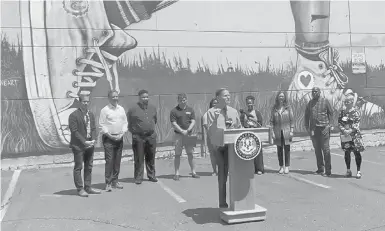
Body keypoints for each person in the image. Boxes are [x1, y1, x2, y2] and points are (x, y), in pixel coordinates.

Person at [206, 88, 242, 208]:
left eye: (229, 95)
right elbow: (210, 132)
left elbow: (239, 128)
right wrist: (217, 122)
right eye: (225, 95)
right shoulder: (211, 113)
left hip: (233, 147)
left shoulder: (233, 111)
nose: (228, 97)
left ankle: (236, 199)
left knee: (236, 173)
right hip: (219, 148)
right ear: (218, 98)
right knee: (222, 174)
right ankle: (222, 201)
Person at [68, 94, 101, 197]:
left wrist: (94, 139)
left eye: (87, 101)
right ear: (79, 102)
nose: (86, 103)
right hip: (79, 146)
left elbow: (93, 128)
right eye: (84, 102)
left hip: (90, 145)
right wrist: (84, 141)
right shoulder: (73, 115)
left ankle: (88, 187)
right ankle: (80, 189)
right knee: (79, 167)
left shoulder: (90, 114)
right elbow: (75, 131)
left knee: (89, 166)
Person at [99, 90, 128, 191]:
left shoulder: (121, 109)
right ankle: (108, 182)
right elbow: (101, 125)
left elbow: (125, 123)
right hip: (109, 139)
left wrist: (122, 133)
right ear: (109, 98)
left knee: (117, 161)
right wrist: (110, 136)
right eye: (113, 97)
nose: (115, 98)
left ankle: (115, 181)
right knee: (110, 161)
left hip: (119, 138)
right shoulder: (105, 110)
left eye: (116, 96)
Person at [127, 90, 158, 184]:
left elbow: (155, 120)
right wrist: (135, 133)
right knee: (139, 158)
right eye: (143, 97)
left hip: (151, 136)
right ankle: (138, 177)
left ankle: (151, 175)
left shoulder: (152, 108)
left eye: (147, 97)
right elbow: (129, 122)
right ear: (139, 98)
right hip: (139, 137)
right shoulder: (133, 109)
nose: (145, 99)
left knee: (151, 157)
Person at [304, 87, 334, 177]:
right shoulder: (310, 103)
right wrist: (307, 127)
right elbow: (306, 115)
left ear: (320, 92)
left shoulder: (325, 101)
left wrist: (329, 125)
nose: (314, 93)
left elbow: (331, 113)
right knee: (317, 150)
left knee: (326, 149)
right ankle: (320, 169)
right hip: (314, 129)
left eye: (316, 91)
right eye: (312, 91)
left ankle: (328, 171)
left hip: (324, 128)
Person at [170, 93, 200, 180]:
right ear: (178, 101)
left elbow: (193, 121)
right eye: (181, 100)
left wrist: (187, 130)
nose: (183, 102)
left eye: (184, 100)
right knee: (177, 154)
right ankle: (176, 173)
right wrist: (182, 131)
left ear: (186, 100)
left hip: (189, 135)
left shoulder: (190, 110)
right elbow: (173, 123)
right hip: (178, 135)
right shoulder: (174, 111)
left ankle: (193, 172)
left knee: (190, 154)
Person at [338, 94, 365, 179]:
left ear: (352, 102)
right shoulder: (342, 112)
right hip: (345, 136)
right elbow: (339, 122)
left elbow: (357, 123)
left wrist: (350, 130)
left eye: (348, 101)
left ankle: (358, 171)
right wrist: (344, 130)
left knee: (357, 153)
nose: (346, 103)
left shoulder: (356, 111)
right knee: (347, 152)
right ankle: (348, 170)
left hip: (355, 136)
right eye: (345, 101)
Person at [270, 91, 294, 174]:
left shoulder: (288, 107)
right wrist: (272, 132)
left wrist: (291, 131)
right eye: (280, 96)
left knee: (287, 149)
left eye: (282, 96)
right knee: (279, 150)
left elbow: (292, 120)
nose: (281, 98)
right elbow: (271, 121)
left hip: (287, 131)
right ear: (277, 97)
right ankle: (281, 167)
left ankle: (287, 167)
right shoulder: (274, 108)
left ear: (285, 98)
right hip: (277, 132)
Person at [240, 95, 265, 175]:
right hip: (247, 135)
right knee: (248, 152)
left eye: (251, 103)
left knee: (258, 152)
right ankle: (250, 168)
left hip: (256, 134)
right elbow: (240, 124)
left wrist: (254, 122)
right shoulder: (243, 114)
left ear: (253, 103)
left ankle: (259, 169)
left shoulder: (257, 113)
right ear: (246, 104)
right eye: (248, 103)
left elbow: (260, 124)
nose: (249, 104)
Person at [202, 98, 219, 176]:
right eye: (213, 103)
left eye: (216, 103)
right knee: (213, 154)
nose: (215, 105)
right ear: (211, 105)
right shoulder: (206, 114)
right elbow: (206, 126)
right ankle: (214, 171)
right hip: (211, 137)